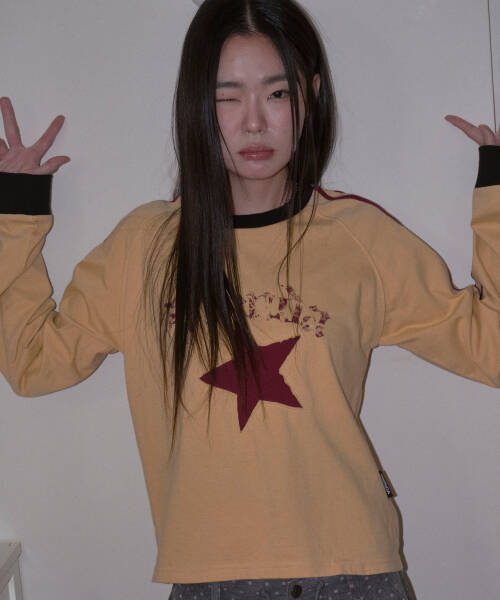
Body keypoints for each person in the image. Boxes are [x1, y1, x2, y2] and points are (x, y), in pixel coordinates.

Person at [0, 0, 499, 598]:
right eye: (227, 97)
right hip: (208, 575)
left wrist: (496, 195)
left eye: (278, 94)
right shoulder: (145, 246)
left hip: (351, 568)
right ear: (195, 105)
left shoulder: (360, 240)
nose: (255, 123)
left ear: (311, 97)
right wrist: (16, 211)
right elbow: (33, 362)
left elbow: (490, 348)